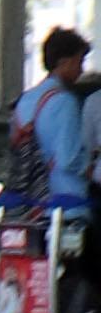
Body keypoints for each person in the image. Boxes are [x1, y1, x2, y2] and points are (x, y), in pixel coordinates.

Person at [15, 25, 96, 213]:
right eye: (79, 61)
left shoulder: (26, 99)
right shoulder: (65, 101)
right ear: (64, 62)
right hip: (67, 204)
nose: (81, 69)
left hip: (33, 203)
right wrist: (93, 171)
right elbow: (70, 159)